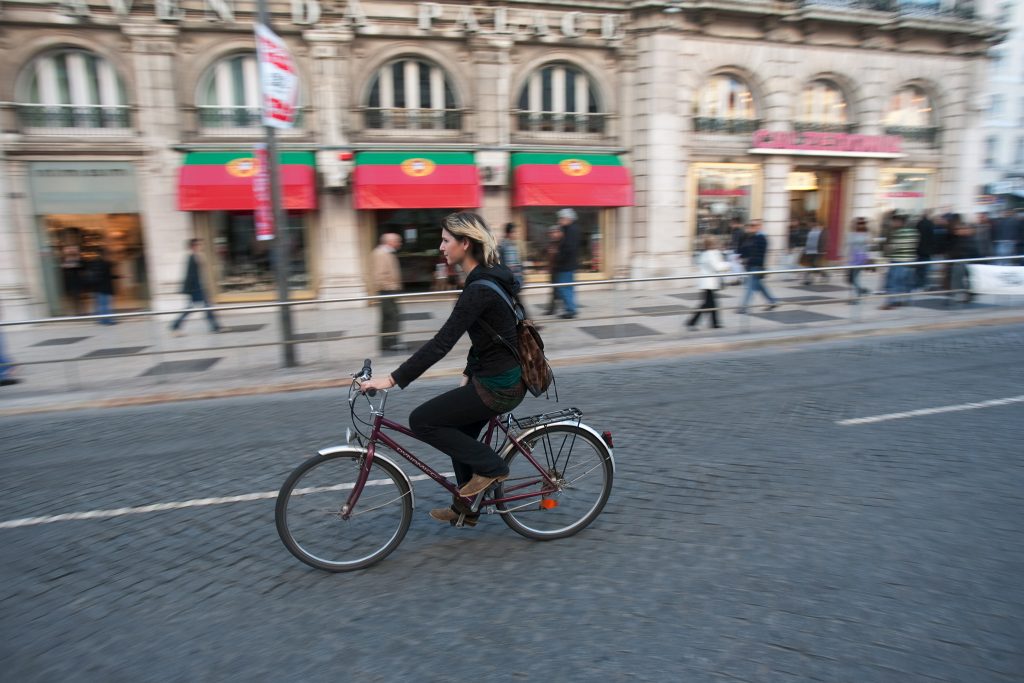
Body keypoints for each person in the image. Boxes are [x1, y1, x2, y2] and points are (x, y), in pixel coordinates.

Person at [360, 212, 525, 527]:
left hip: (500, 384)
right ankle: (467, 505)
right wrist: (469, 369)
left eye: (446, 240)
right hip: (494, 375)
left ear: (465, 243)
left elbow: (441, 343)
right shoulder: (487, 276)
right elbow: (491, 333)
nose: (441, 247)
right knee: (458, 434)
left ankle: (492, 468)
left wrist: (392, 379)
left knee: (422, 420)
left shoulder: (480, 288)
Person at [170, 238, 222, 335]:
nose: (200, 246)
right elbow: (190, 276)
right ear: (193, 246)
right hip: (196, 289)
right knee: (205, 307)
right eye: (198, 245)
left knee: (194, 308)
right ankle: (215, 327)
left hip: (197, 288)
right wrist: (195, 289)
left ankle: (174, 326)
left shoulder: (195, 256)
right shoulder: (192, 257)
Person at [372, 233, 405, 353]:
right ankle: (391, 343)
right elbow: (379, 275)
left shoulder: (387, 252)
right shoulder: (381, 253)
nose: (399, 243)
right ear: (389, 241)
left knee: (389, 316)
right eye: (397, 241)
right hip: (387, 291)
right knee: (391, 316)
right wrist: (390, 287)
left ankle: (388, 342)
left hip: (390, 290)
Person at [686, 235, 729, 330]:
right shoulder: (711, 254)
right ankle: (692, 322)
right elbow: (717, 267)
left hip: (707, 283)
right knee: (708, 304)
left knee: (710, 304)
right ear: (712, 244)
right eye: (716, 242)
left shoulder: (705, 253)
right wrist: (728, 264)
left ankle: (714, 323)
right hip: (709, 283)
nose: (717, 244)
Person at [736, 219, 778, 314]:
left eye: (754, 225)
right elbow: (744, 248)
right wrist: (741, 256)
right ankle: (772, 301)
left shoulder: (761, 238)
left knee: (750, 286)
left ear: (759, 226)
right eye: (750, 225)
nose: (751, 227)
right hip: (749, 265)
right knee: (759, 286)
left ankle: (744, 307)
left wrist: (748, 259)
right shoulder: (750, 236)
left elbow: (759, 254)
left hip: (757, 265)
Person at [880, 214, 919, 310]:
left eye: (894, 221)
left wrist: (887, 249)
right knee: (906, 282)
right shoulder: (914, 232)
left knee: (893, 281)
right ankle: (906, 300)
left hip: (898, 260)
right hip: (910, 261)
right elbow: (915, 245)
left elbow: (893, 248)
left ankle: (891, 302)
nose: (892, 223)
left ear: (900, 222)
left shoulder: (898, 233)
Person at [498, 222, 532, 320]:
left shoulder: (508, 244)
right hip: (509, 280)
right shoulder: (506, 246)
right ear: (509, 233)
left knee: (516, 302)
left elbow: (516, 264)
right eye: (514, 232)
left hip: (510, 280)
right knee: (517, 302)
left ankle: (526, 321)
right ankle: (527, 322)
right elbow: (510, 266)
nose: (516, 234)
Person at [550, 208, 580, 319]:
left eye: (561, 218)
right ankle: (571, 308)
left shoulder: (569, 230)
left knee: (564, 288)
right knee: (568, 287)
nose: (559, 220)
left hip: (565, 266)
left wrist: (558, 259)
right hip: (568, 265)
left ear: (568, 219)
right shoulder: (571, 229)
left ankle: (570, 310)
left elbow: (568, 249)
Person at [88, 248, 119, 325]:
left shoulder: (93, 263)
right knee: (105, 305)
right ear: (104, 254)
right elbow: (109, 276)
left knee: (99, 304)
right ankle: (107, 321)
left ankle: (101, 320)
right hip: (105, 287)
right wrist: (118, 276)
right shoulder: (106, 264)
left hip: (96, 287)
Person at [846, 217, 872, 299]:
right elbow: (848, 246)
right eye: (858, 223)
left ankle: (857, 295)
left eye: (862, 223)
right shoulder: (851, 234)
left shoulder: (866, 234)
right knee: (851, 279)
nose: (860, 225)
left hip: (860, 258)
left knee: (854, 277)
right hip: (852, 258)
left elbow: (867, 247)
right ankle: (861, 291)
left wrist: (867, 258)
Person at [544, 224, 564, 316]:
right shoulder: (551, 243)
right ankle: (553, 308)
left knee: (557, 290)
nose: (553, 234)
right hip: (553, 270)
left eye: (555, 232)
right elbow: (548, 256)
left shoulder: (562, 243)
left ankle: (553, 308)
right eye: (551, 233)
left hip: (559, 270)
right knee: (554, 290)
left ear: (559, 233)